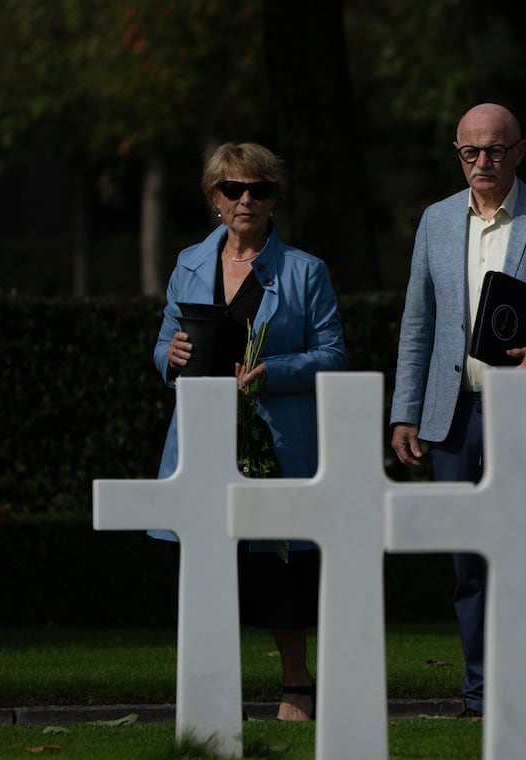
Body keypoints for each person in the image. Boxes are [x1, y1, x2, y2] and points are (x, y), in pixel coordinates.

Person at [390, 103, 526, 716]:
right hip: (453, 417)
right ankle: (481, 693)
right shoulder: (435, 221)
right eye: (470, 152)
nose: (482, 162)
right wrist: (404, 411)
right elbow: (420, 322)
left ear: (520, 151)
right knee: (468, 565)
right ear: (457, 154)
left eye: (494, 150)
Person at [152, 142, 347, 722]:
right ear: (214, 197)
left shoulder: (306, 271)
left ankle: (297, 686)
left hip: (274, 441)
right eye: (233, 189)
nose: (245, 200)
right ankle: (213, 688)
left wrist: (275, 373)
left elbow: (333, 355)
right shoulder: (188, 262)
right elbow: (165, 345)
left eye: (259, 189)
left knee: (277, 565)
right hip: (202, 438)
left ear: (273, 198)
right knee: (206, 565)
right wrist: (171, 355)